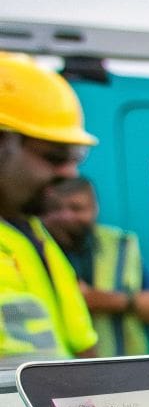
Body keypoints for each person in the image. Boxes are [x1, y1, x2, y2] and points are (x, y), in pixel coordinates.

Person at [0, 52, 98, 361]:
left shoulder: (31, 231)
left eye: (74, 159)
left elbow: (81, 344)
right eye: (54, 157)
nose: (70, 174)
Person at [42, 176, 149, 355]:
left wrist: (107, 300)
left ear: (94, 208)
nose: (65, 217)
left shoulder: (117, 245)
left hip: (115, 372)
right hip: (48, 371)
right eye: (54, 209)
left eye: (76, 208)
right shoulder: (28, 247)